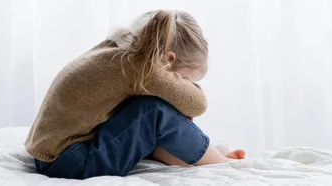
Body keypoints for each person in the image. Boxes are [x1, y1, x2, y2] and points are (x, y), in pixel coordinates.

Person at [25, 10, 245, 179]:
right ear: (168, 59)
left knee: (145, 109)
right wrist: (180, 97)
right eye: (183, 81)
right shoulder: (139, 67)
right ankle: (219, 162)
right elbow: (197, 104)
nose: (181, 86)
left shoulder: (119, 50)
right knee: (154, 111)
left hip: (56, 154)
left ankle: (195, 156)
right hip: (69, 163)